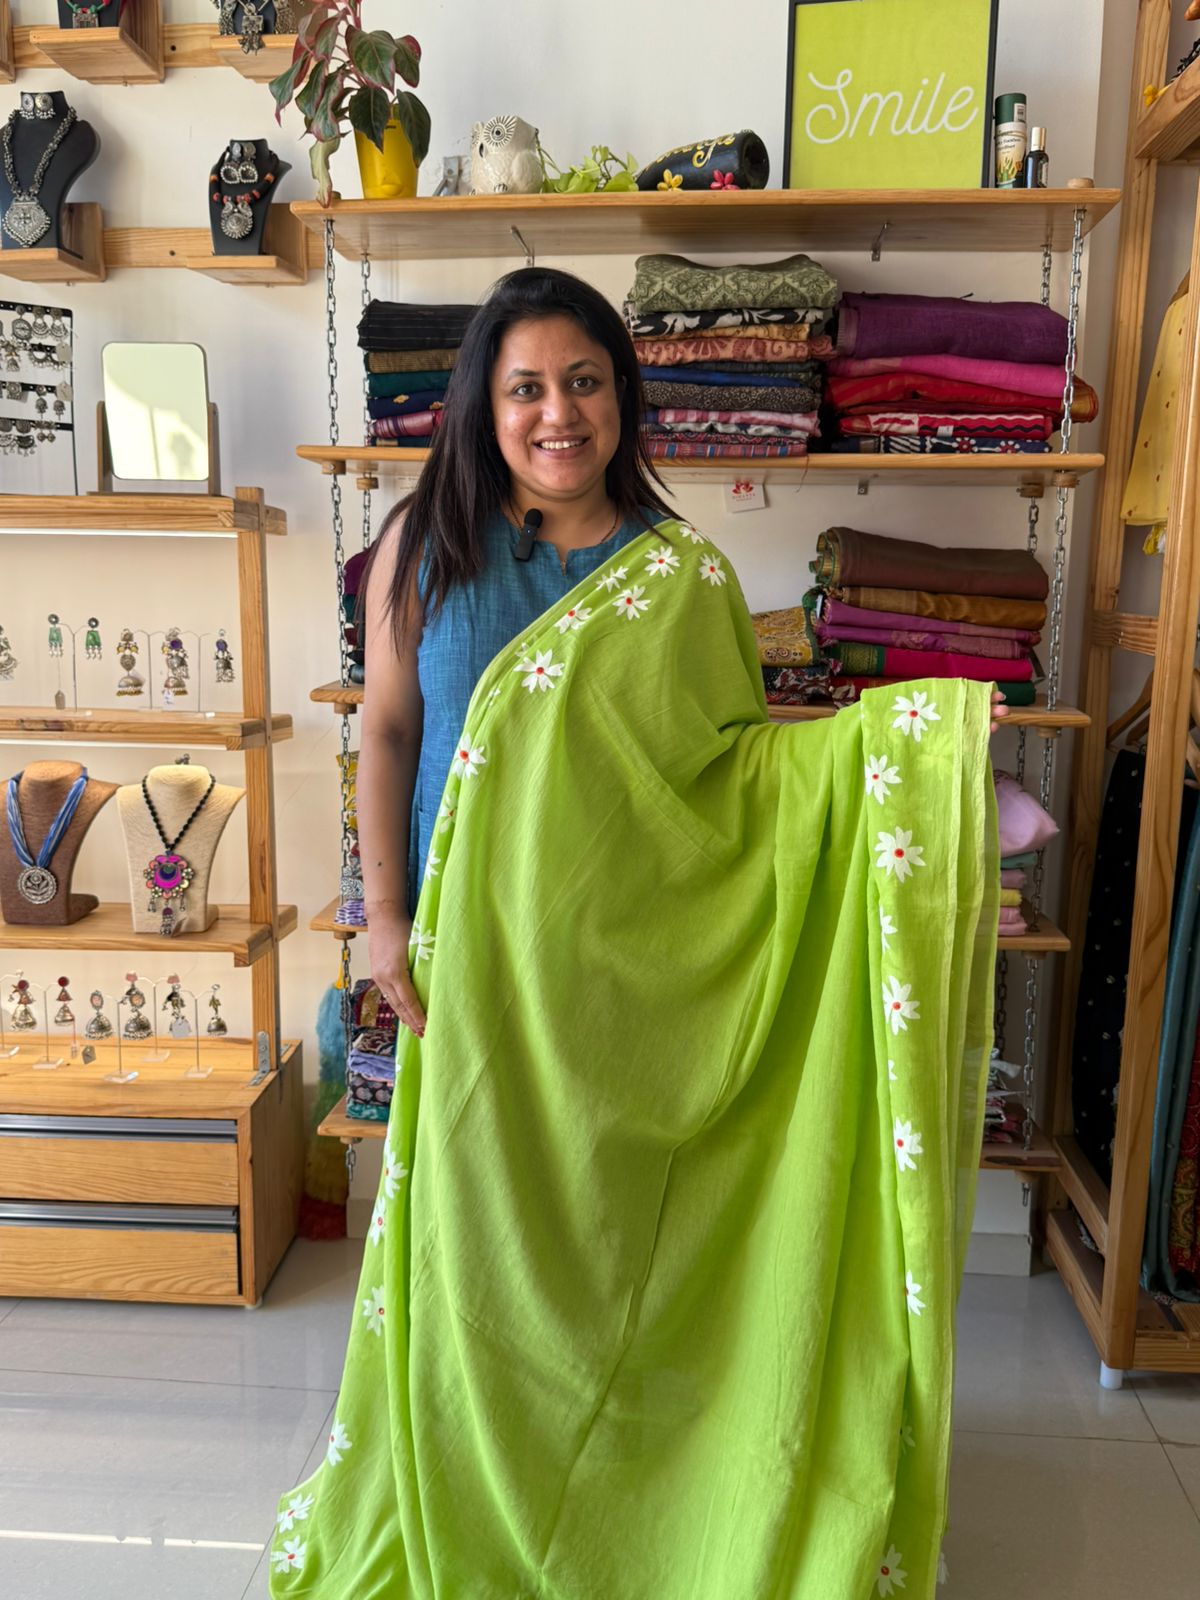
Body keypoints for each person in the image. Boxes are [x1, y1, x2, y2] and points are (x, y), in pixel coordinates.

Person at [268, 267, 1007, 1598]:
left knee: (614, 1253)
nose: (559, 413)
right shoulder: (424, 549)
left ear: (623, 395)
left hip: (627, 979)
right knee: (485, 1256)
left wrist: (913, 757)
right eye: (527, 388)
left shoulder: (682, 577)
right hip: (475, 969)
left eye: (585, 382)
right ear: (483, 405)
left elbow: (733, 787)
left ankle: (633, 1503)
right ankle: (487, 1493)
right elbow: (384, 732)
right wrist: (382, 918)